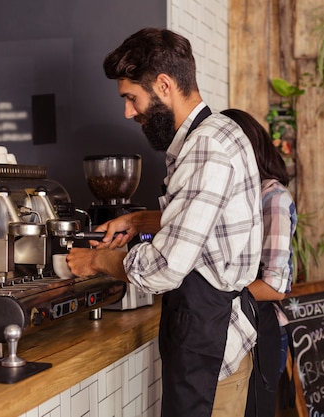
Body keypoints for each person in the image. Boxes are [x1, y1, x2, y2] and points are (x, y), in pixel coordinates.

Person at [66, 28, 263, 417]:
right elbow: (210, 222)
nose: (128, 112)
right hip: (214, 341)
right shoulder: (221, 132)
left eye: (131, 98)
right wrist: (139, 220)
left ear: (164, 85)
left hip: (210, 351)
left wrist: (95, 263)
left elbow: (165, 268)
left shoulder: (204, 147)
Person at [220, 108, 297, 417]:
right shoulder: (241, 196)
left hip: (260, 330)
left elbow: (275, 286)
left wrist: (217, 296)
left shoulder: (273, 197)